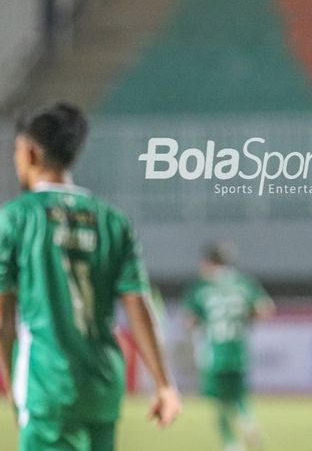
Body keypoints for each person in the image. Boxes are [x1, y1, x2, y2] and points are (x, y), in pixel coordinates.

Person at [0, 103, 181, 450]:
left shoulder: (16, 218)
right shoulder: (112, 220)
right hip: (102, 385)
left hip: (48, 382)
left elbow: (3, 316)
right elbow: (138, 304)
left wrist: (12, 385)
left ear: (29, 151)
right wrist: (163, 384)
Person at [184, 243, 275, 451]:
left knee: (220, 402)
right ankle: (247, 422)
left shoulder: (202, 285)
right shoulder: (244, 282)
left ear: (208, 262)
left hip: (214, 352)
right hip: (238, 350)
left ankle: (231, 444)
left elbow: (190, 320)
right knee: (238, 395)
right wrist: (244, 317)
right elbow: (265, 309)